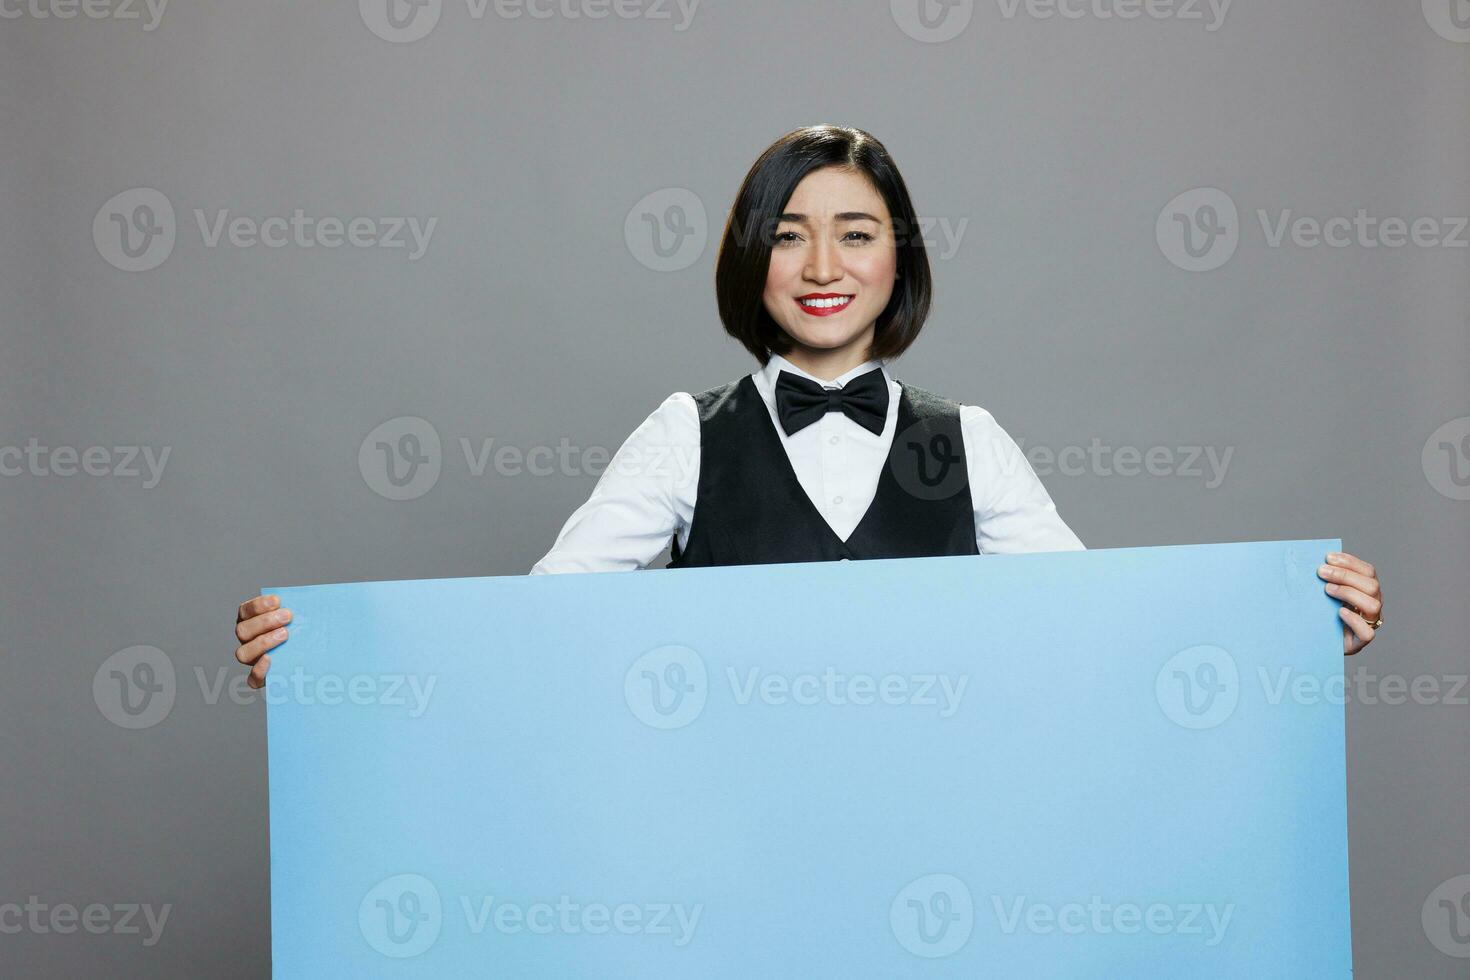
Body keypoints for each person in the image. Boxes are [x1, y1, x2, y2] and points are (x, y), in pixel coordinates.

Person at [232, 125, 1384, 687]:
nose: (821, 262)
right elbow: (541, 629)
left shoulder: (968, 440)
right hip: (722, 841)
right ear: (752, 262)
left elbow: (1104, 624)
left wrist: (1287, 627)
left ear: (900, 261)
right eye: (788, 234)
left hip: (940, 834)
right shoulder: (683, 435)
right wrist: (338, 666)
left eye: (856, 231)